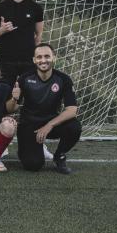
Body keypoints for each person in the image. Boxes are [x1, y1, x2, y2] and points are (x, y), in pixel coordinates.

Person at [15, 43, 81, 174]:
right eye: (39, 57)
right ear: (34, 60)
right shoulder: (24, 78)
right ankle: (31, 147)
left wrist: (49, 125)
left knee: (74, 127)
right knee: (32, 165)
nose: (43, 60)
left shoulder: (63, 79)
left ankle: (59, 156)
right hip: (29, 125)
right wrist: (14, 98)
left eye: (47, 56)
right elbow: (11, 108)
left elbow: (72, 110)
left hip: (51, 123)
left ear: (54, 58)